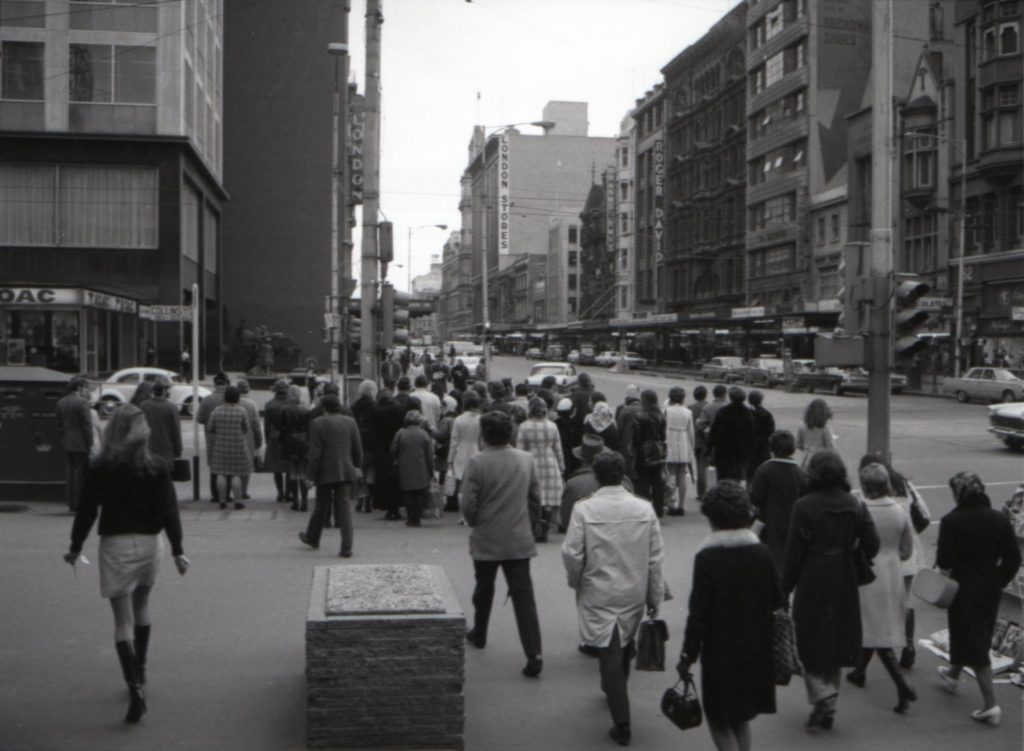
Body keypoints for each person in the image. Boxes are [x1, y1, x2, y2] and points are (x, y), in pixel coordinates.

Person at [63, 405, 189, 724]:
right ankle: (141, 670)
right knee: (142, 606)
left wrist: (75, 547)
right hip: (150, 544)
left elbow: (87, 511)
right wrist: (177, 550)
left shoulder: (101, 467)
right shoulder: (156, 466)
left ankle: (134, 688)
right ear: (142, 431)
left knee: (122, 621)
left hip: (116, 545)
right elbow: (169, 510)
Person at [562, 451, 664, 747]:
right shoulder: (644, 509)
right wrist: (654, 595)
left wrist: (576, 580)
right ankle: (616, 692)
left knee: (608, 650)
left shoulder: (585, 510)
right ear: (624, 476)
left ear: (596, 476)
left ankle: (622, 722)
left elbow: (572, 554)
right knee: (624, 643)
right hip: (634, 587)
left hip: (598, 588)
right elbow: (655, 559)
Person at [679, 481, 780, 751]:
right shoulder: (762, 553)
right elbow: (777, 600)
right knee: (740, 716)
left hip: (720, 652)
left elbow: (698, 614)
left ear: (711, 518)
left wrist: (688, 655)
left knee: (718, 717)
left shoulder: (707, 558)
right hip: (756, 648)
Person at [782, 450, 880, 730]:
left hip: (813, 575)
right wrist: (852, 552)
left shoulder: (803, 505)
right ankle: (829, 705)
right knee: (836, 641)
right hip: (844, 575)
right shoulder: (855, 503)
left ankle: (822, 696)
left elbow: (793, 553)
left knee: (808, 640)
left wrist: (784, 589)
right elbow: (872, 543)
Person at [934, 471, 1021, 726]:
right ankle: (952, 674)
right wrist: (998, 579)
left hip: (962, 588)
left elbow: (945, 562)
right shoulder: (999, 520)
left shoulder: (951, 521)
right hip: (990, 588)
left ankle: (991, 705)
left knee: (973, 641)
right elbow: (1013, 559)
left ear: (958, 494)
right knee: (975, 632)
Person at [461, 411, 543, 678]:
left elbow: (468, 506)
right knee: (523, 596)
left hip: (487, 537)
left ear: (484, 435)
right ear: (511, 433)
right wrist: (529, 525)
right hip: (519, 538)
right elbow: (535, 499)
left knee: (483, 588)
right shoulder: (526, 460)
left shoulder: (477, 463)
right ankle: (534, 653)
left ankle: (480, 632)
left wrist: (476, 522)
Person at [845, 463, 917, 713]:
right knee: (878, 624)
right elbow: (907, 551)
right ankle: (860, 672)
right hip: (892, 571)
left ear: (865, 486)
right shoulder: (900, 510)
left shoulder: (860, 509)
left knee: (873, 626)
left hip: (867, 571)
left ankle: (901, 684)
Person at [856, 454, 931, 668]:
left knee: (874, 604)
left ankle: (870, 653)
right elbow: (925, 514)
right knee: (905, 601)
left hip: (878, 556)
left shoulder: (867, 494)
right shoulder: (905, 485)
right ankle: (908, 646)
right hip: (907, 551)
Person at [299, 394, 363, 556]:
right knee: (345, 508)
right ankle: (346, 547)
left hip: (325, 471)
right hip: (346, 470)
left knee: (321, 506)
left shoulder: (317, 424)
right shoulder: (350, 422)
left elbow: (315, 454)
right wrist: (357, 465)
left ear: (323, 408)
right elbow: (357, 448)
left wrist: (311, 475)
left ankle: (313, 537)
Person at [749, 430, 806, 573]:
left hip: (769, 522)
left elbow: (756, 497)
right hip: (792, 523)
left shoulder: (764, 469)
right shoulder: (800, 472)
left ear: (772, 448)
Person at [515, 397, 565, 542]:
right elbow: (558, 449)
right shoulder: (552, 426)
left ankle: (535, 527)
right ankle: (545, 528)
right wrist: (561, 466)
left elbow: (520, 449)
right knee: (548, 497)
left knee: (534, 496)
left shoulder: (524, 426)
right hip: (550, 462)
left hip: (532, 461)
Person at [208, 386, 253, 510]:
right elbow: (246, 428)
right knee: (236, 474)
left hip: (221, 445)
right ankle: (237, 501)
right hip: (238, 445)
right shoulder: (242, 411)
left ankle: (222, 500)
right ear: (237, 397)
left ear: (225, 397)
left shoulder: (216, 411)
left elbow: (210, 428)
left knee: (221, 473)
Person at [391, 410, 435, 527]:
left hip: (404, 466)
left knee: (408, 494)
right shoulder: (424, 434)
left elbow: (393, 450)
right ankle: (417, 517)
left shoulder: (400, 433)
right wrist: (431, 470)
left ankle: (410, 518)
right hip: (421, 467)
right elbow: (429, 455)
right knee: (419, 493)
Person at [56, 375, 94, 512]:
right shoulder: (82, 403)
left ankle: (71, 503)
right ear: (79, 387)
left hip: (67, 442)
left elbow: (59, 425)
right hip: (80, 443)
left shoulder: (61, 402)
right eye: (84, 387)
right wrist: (90, 443)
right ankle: (78, 503)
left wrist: (65, 437)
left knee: (70, 473)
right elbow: (86, 425)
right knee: (79, 475)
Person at [370, 389, 407, 520]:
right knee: (396, 479)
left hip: (382, 449)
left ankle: (388, 508)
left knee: (383, 479)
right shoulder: (400, 410)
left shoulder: (377, 411)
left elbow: (373, 432)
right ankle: (396, 507)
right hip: (397, 448)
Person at [707, 386, 754, 483]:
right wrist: (750, 450)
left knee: (722, 477)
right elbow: (751, 434)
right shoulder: (747, 413)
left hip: (723, 450)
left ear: (731, 397)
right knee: (737, 476)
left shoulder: (723, 412)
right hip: (740, 451)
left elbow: (715, 432)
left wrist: (709, 448)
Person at [631, 389, 667, 517]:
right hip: (657, 450)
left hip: (643, 451)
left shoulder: (639, 416)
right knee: (657, 481)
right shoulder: (660, 415)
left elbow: (636, 437)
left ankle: (643, 510)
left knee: (643, 482)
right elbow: (663, 436)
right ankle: (658, 510)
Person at [448, 390, 483, 513]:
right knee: (475, 483)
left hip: (461, 452)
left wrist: (450, 460)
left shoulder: (458, 419)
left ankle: (462, 511)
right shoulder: (481, 419)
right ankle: (474, 508)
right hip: (476, 451)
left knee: (461, 483)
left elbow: (454, 442)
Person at [196, 372, 228, 503]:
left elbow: (199, 419)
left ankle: (215, 494)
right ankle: (227, 494)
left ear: (215, 384)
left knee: (214, 467)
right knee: (228, 466)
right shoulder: (230, 398)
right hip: (228, 437)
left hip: (212, 437)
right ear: (226, 384)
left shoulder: (207, 399)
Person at [664, 386, 695, 516]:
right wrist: (691, 449)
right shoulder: (687, 412)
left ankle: (672, 503)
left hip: (670, 440)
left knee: (670, 475)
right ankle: (681, 506)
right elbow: (691, 433)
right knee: (682, 476)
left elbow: (663, 427)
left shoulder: (667, 410)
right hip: (683, 442)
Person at [279, 385, 311, 511]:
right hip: (303, 441)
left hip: (289, 441)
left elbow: (279, 426)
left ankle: (295, 500)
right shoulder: (306, 410)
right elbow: (309, 427)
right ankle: (304, 501)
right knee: (303, 472)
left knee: (292, 472)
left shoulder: (284, 409)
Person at [139, 377, 182, 469]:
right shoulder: (172, 408)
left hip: (148, 451)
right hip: (166, 452)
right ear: (164, 391)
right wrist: (178, 450)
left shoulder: (143, 406)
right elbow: (176, 431)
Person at [350, 380, 378, 513]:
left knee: (360, 471)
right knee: (371, 471)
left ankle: (360, 500)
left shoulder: (354, 406)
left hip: (358, 443)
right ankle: (369, 501)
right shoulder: (376, 406)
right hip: (372, 443)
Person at [263, 379, 291, 503]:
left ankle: (280, 493)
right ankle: (289, 493)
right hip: (289, 437)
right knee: (290, 467)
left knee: (277, 468)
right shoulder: (291, 404)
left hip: (275, 437)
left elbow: (266, 425)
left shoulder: (269, 405)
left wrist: (267, 439)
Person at [235, 378, 262, 500]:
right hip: (248, 438)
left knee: (234, 468)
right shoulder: (252, 404)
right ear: (248, 390)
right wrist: (259, 440)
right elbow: (256, 424)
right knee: (246, 467)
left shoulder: (233, 402)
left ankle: (234, 491)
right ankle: (244, 491)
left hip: (234, 437)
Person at [746, 390, 775, 484]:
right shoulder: (766, 414)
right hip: (763, 450)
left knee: (749, 476)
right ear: (761, 400)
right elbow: (771, 433)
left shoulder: (746, 413)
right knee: (763, 476)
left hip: (749, 450)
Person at [796, 398, 835, 467]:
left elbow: (798, 444)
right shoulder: (825, 428)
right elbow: (830, 447)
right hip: (819, 460)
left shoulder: (802, 425)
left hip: (805, 458)